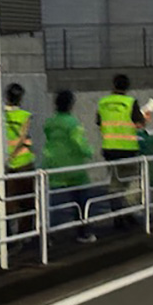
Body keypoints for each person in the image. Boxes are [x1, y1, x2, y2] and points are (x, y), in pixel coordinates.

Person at [43, 90, 97, 244]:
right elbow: (80, 143)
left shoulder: (50, 122)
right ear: (71, 105)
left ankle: (47, 236)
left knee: (50, 203)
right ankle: (83, 232)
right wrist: (90, 152)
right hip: (74, 167)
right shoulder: (73, 123)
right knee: (82, 200)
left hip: (53, 164)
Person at [96, 74, 148, 229]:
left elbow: (100, 122)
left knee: (115, 183)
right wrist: (145, 117)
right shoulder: (130, 102)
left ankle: (116, 214)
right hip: (128, 149)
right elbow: (139, 124)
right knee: (132, 183)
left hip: (109, 148)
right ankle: (128, 213)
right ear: (127, 87)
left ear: (113, 85)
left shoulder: (103, 102)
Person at [4, 83, 36, 240]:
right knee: (29, 201)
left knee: (10, 200)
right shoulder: (25, 115)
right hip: (23, 162)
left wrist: (6, 157)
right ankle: (25, 234)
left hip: (5, 164)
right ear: (20, 98)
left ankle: (11, 232)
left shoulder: (1, 115)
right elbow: (23, 137)